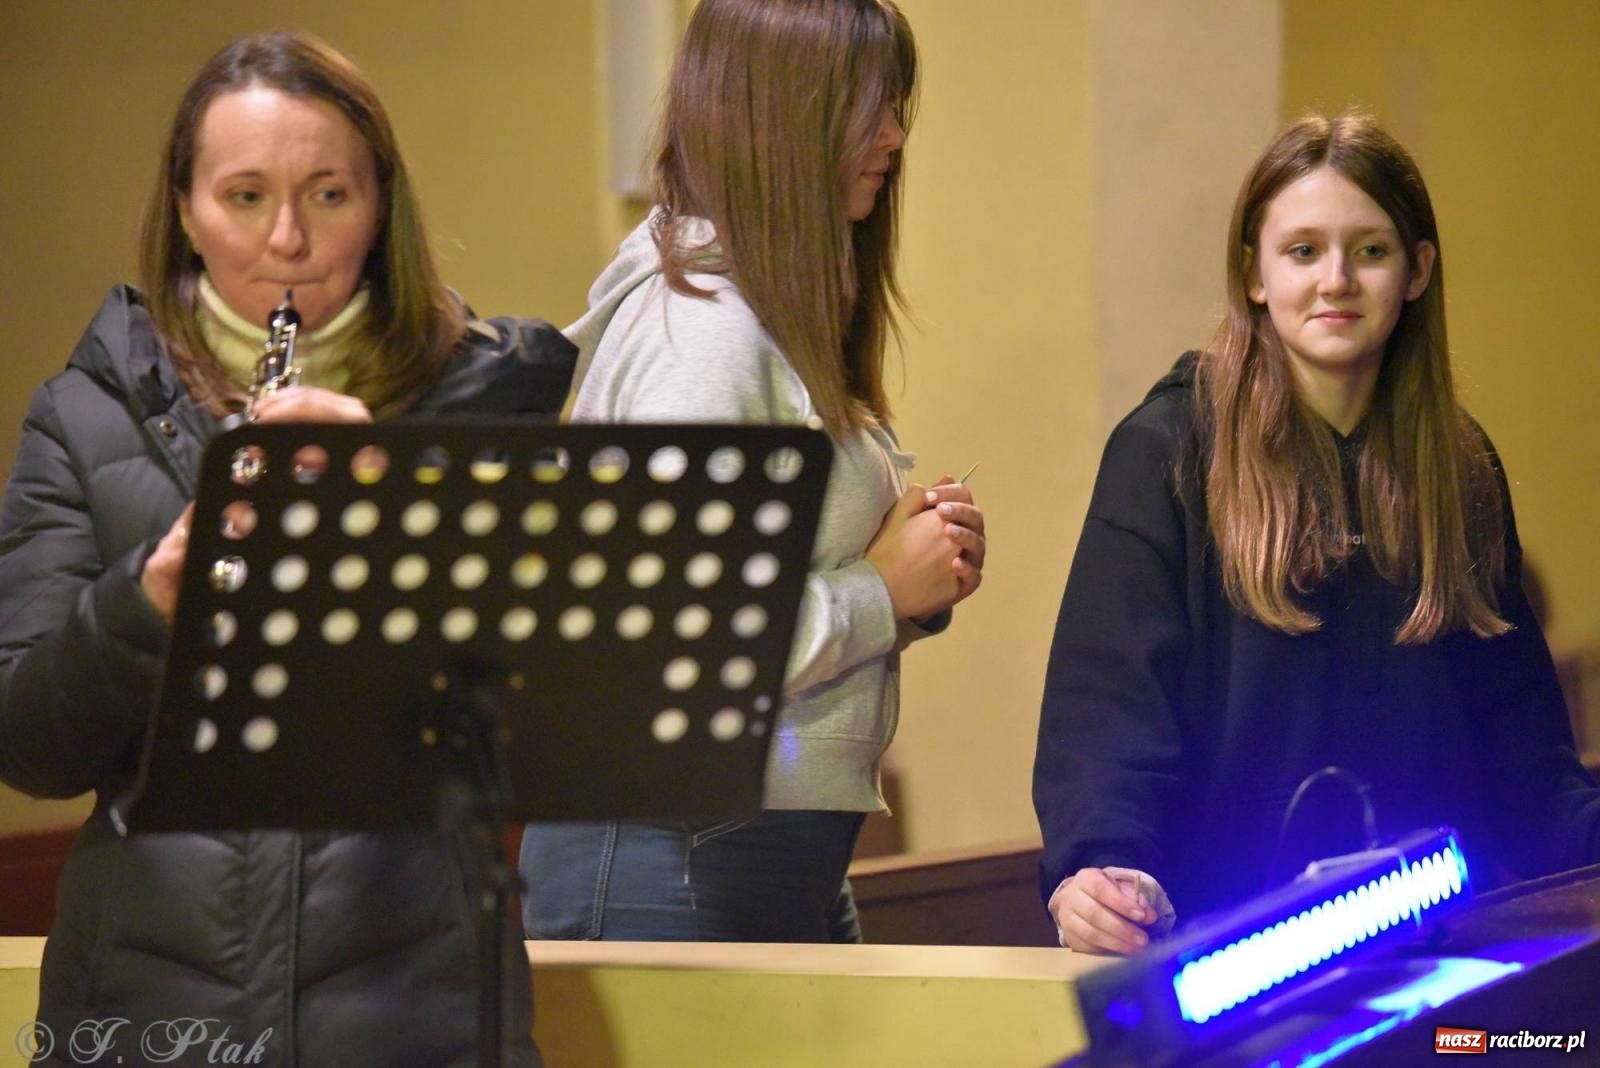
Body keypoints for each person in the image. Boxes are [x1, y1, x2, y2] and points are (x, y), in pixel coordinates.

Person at [0, 32, 575, 1064]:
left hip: (415, 1001)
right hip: (146, 1003)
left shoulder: (485, 400)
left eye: (328, 196)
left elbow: (549, 711)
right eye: (245, 196)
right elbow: (27, 745)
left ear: (381, 208)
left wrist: (392, 512)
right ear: (184, 210)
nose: (288, 242)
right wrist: (152, 595)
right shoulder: (80, 419)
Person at [1033, 113, 1600, 956]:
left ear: (1417, 271)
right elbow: (1108, 711)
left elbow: (1523, 750)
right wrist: (1104, 867)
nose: (1335, 279)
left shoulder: (1460, 466)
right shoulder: (1165, 450)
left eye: (1369, 250)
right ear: (1254, 272)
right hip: (1234, 961)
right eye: (1303, 251)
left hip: (1431, 948)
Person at [519, 0, 985, 944]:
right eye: (867, 105)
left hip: (752, 844)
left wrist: (907, 570)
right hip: (668, 851)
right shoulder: (706, 339)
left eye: (897, 105)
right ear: (782, 116)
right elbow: (670, 652)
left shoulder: (763, 319)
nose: (895, 137)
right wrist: (882, 590)